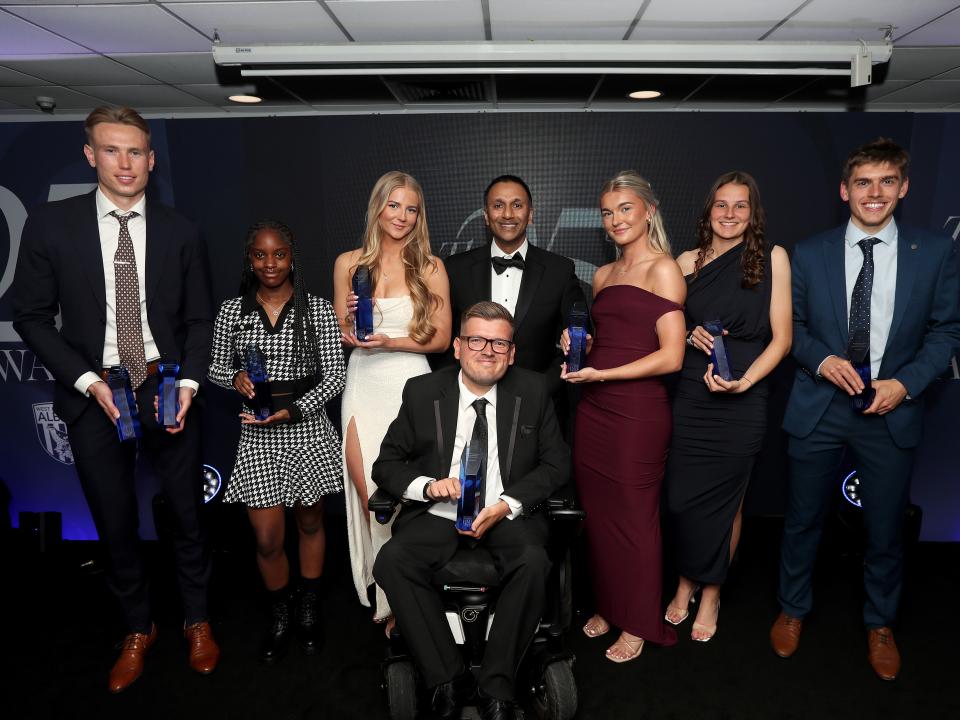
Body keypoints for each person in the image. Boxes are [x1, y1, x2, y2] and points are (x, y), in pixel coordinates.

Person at [11, 106, 219, 692]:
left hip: (164, 384)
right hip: (92, 388)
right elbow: (29, 315)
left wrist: (187, 385)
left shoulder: (182, 231)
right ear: (90, 155)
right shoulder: (52, 225)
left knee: (186, 514)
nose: (125, 164)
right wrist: (87, 381)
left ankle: (197, 620)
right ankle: (137, 627)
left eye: (135, 153)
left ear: (152, 160)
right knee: (113, 518)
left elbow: (201, 318)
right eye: (112, 151)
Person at [771, 138, 960, 681]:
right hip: (819, 406)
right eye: (862, 183)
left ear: (903, 188)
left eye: (885, 182)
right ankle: (792, 608)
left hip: (890, 409)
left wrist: (905, 384)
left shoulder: (935, 253)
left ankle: (880, 623)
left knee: (884, 528)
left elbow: (947, 330)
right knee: (802, 519)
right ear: (844, 190)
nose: (873, 193)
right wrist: (822, 359)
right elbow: (795, 330)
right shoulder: (809, 253)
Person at [372, 301, 570, 720]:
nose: (489, 350)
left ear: (512, 352)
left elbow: (557, 464)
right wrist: (427, 486)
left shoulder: (532, 391)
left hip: (505, 514)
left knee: (534, 562)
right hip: (440, 515)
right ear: (458, 347)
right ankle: (448, 676)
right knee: (391, 560)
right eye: (477, 340)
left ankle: (496, 686)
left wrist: (506, 504)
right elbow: (386, 464)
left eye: (500, 343)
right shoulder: (423, 391)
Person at [561, 171, 686, 662]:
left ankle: (639, 620)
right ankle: (611, 607)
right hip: (595, 410)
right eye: (608, 213)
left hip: (637, 415)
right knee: (599, 517)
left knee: (634, 519)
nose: (615, 220)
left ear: (648, 211)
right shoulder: (604, 274)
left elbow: (672, 356)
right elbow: (609, 340)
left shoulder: (664, 269)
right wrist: (581, 345)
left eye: (625, 209)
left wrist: (604, 375)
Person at [207, 220, 345, 663]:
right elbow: (213, 368)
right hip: (257, 435)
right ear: (250, 260)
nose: (271, 263)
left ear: (292, 256)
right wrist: (235, 376)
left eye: (279, 254)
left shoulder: (318, 309)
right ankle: (280, 611)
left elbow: (336, 375)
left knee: (309, 523)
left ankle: (308, 607)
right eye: (261, 255)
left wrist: (298, 409)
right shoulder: (233, 310)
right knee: (267, 538)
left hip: (306, 428)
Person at [664, 172, 791, 642]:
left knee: (727, 504)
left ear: (752, 212)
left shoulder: (773, 257)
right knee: (680, 501)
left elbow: (783, 338)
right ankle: (686, 576)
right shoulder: (686, 262)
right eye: (721, 205)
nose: (730, 214)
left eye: (740, 206)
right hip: (693, 393)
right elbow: (661, 327)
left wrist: (746, 381)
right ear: (708, 211)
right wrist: (689, 330)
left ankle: (706, 592)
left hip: (745, 393)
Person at [333, 171, 451, 625]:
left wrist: (392, 342)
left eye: (411, 208)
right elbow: (347, 337)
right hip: (363, 386)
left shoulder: (431, 267)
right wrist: (351, 327)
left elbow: (441, 341)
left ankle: (415, 596)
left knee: (413, 498)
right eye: (394, 205)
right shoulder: (349, 264)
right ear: (377, 208)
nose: (402, 216)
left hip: (413, 385)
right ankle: (391, 601)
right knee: (373, 500)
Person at [444, 175, 587, 404]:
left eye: (517, 205)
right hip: (467, 400)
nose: (508, 214)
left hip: (537, 403)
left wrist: (544, 387)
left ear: (530, 214)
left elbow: (579, 337)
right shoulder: (455, 268)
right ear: (486, 216)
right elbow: (445, 338)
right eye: (498, 205)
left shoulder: (559, 270)